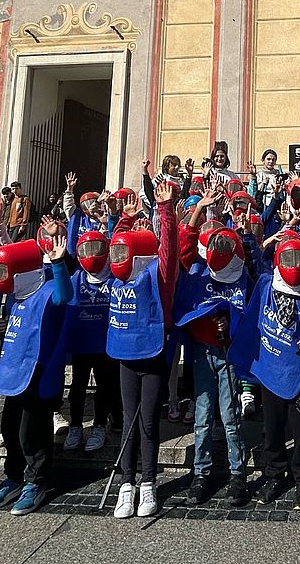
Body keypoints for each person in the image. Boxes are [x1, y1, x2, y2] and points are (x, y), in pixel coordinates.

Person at [0, 226, 73, 517]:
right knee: (9, 428)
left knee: (31, 432)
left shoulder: (46, 290)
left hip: (39, 372)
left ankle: (36, 481)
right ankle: (13, 476)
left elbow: (63, 296)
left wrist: (58, 263)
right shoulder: (17, 295)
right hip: (13, 372)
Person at [229, 236, 300, 511]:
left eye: (298, 260)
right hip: (271, 368)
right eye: (288, 259)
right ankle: (274, 473)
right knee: (272, 427)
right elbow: (253, 313)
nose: (293, 265)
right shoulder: (268, 284)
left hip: (298, 372)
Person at [105, 181, 178, 519]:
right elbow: (113, 251)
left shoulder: (157, 274)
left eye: (142, 227)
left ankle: (148, 484)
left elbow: (170, 252)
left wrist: (165, 211)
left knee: (148, 421)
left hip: (152, 354)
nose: (140, 229)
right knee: (127, 421)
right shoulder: (118, 276)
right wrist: (123, 219)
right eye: (138, 228)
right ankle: (126, 484)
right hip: (125, 355)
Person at [172, 225, 252, 508]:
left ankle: (237, 474)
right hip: (202, 351)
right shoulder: (199, 269)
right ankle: (201, 473)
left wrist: (231, 323)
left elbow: (247, 313)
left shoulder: (244, 277)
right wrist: (196, 214)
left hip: (227, 352)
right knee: (203, 416)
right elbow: (183, 249)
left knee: (231, 418)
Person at [64, 230, 121, 453]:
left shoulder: (115, 277)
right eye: (86, 250)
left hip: (105, 344)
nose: (91, 255)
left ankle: (99, 425)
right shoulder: (77, 276)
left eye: (96, 249)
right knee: (77, 388)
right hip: (81, 342)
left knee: (104, 388)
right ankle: (75, 425)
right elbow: (61, 266)